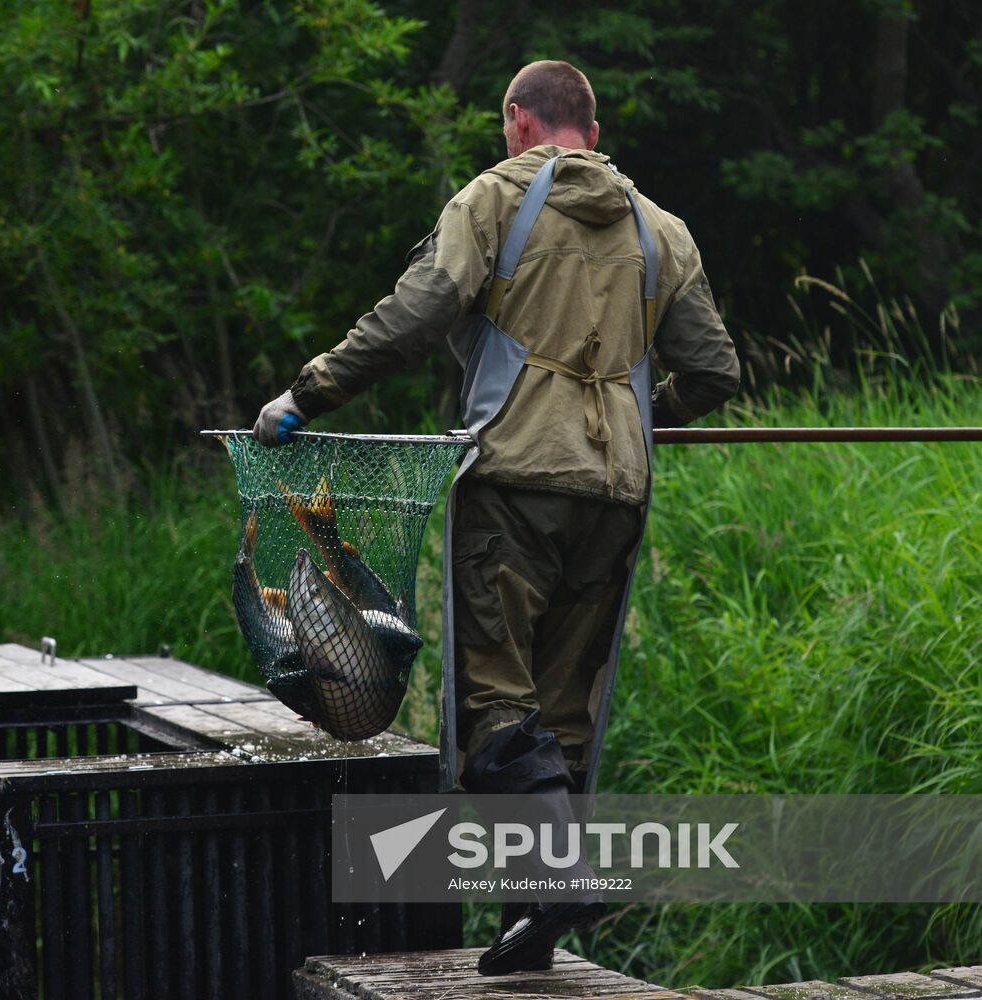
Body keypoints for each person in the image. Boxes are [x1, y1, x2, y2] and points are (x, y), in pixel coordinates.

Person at [253, 60, 740, 973]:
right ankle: (532, 928)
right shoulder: (660, 229)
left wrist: (305, 393)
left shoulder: (492, 201)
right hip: (617, 496)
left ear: (519, 122)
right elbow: (716, 372)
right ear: (588, 132)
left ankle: (555, 880)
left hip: (514, 483)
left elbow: (411, 318)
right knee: (562, 711)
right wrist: (638, 418)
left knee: (494, 703)